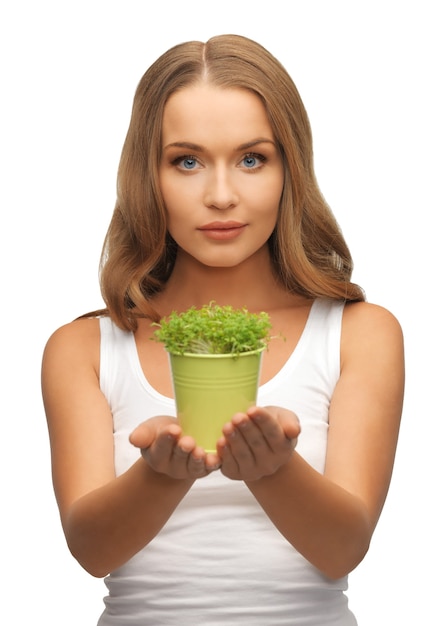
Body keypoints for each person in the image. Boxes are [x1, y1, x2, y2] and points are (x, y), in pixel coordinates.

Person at [41, 34, 404, 625]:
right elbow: (91, 550)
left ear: (290, 169)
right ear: (148, 176)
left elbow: (344, 548)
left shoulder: (359, 334)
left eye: (252, 158)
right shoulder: (85, 348)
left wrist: (273, 470)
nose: (220, 195)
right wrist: (159, 475)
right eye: (186, 161)